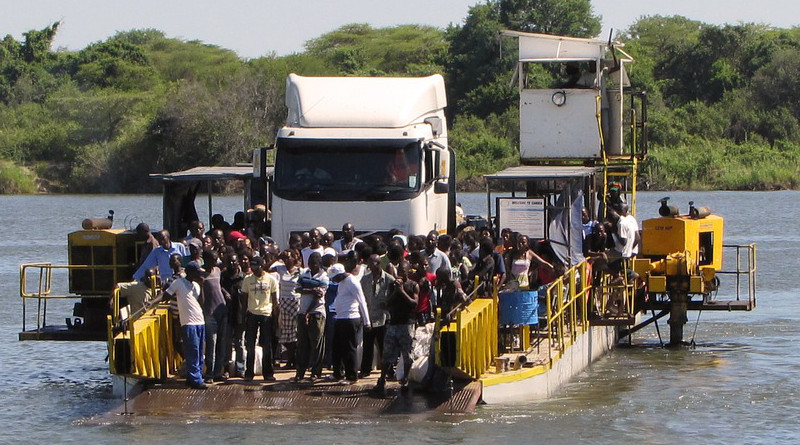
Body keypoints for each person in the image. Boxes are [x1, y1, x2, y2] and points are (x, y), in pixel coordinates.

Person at [374, 260, 418, 395]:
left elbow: (413, 304)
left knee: (407, 354)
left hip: (407, 324)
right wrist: (396, 291)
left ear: (408, 272)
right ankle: (382, 379)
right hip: (393, 323)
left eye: (403, 273)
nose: (400, 275)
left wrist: (402, 291)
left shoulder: (413, 285)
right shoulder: (393, 285)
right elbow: (387, 303)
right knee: (387, 354)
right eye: (399, 272)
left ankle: (405, 379)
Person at [164, 261, 206, 389]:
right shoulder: (179, 283)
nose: (199, 275)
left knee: (199, 351)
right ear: (190, 272)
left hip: (200, 321)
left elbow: (201, 302)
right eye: (197, 273)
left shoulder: (196, 286)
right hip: (188, 322)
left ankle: (192, 376)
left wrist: (202, 285)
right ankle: (196, 380)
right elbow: (165, 295)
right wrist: (152, 303)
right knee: (192, 350)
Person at [331, 254, 371, 383]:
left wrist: (367, 321)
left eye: (335, 278)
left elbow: (362, 301)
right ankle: (338, 373)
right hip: (340, 317)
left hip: (350, 318)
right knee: (337, 347)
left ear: (340, 274)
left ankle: (352, 376)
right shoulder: (342, 282)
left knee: (349, 348)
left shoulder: (352, 281)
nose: (334, 281)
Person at [241, 256, 279, 381]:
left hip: (266, 315)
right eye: (252, 267)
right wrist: (243, 316)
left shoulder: (271, 280)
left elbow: (274, 300)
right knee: (250, 345)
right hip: (252, 314)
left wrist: (275, 319)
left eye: (256, 267)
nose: (254, 270)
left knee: (267, 345)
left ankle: (268, 373)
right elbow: (244, 299)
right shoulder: (247, 280)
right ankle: (249, 373)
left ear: (262, 266)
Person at [294, 252, 329, 381]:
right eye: (309, 263)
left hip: (317, 312)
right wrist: (312, 289)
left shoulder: (324, 277)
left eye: (314, 264)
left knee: (317, 343)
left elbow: (319, 295)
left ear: (319, 264)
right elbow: (298, 289)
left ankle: (316, 372)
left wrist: (308, 311)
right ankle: (300, 372)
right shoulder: (304, 274)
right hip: (302, 312)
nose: (311, 266)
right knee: (302, 344)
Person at [359, 254, 395, 378]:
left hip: (384, 317)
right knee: (367, 345)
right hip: (369, 316)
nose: (369, 266)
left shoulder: (389, 279)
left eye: (372, 263)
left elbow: (395, 296)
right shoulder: (365, 279)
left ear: (378, 264)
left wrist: (388, 304)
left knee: (384, 346)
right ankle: (365, 369)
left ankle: (388, 370)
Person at [271, 249, 301, 369]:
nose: (287, 260)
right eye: (285, 258)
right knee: (285, 334)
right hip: (284, 303)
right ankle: (290, 358)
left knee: (295, 333)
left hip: (296, 303)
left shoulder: (300, 271)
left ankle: (294, 359)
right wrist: (277, 257)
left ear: (294, 258)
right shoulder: (280, 269)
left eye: (289, 257)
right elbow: (265, 268)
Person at [202, 250, 228, 382]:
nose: (215, 261)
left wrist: (225, 292)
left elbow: (219, 286)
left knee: (221, 343)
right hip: (209, 312)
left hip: (222, 310)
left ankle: (218, 371)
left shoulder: (218, 270)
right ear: (205, 259)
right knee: (211, 343)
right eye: (213, 259)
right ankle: (209, 373)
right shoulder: (201, 274)